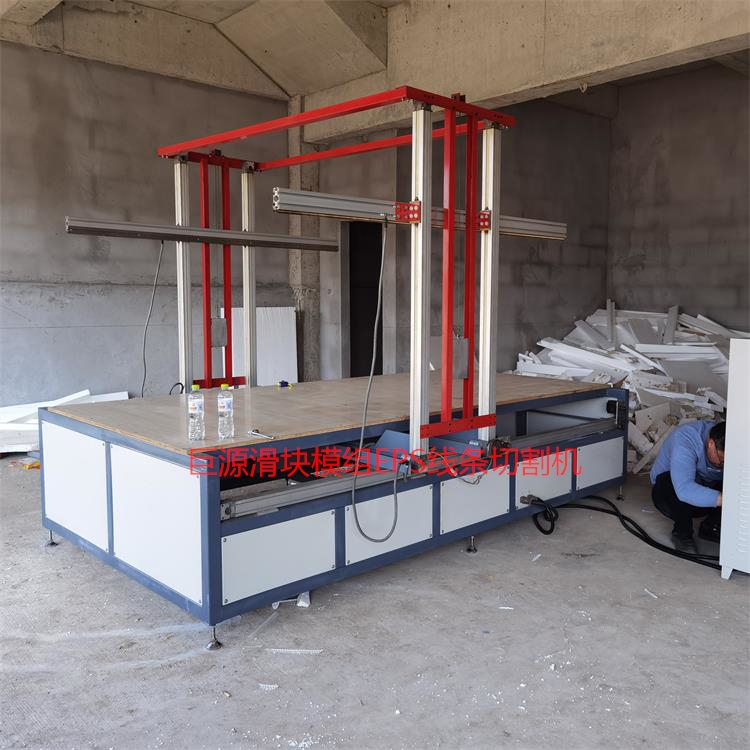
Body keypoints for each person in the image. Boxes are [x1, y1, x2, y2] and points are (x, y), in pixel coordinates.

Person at [650, 420, 724, 553]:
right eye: (722, 460)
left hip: (704, 491)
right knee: (672, 482)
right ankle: (682, 534)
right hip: (669, 495)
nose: (723, 464)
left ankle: (711, 527)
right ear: (711, 444)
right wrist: (724, 500)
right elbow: (684, 489)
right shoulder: (685, 438)